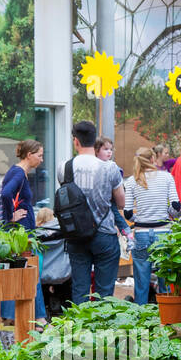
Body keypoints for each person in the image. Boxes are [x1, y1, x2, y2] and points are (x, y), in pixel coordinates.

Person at [64, 120, 124, 300]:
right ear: (94, 139)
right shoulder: (110, 168)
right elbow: (121, 202)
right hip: (104, 233)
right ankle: (101, 327)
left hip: (76, 234)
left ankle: (79, 327)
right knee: (104, 292)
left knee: (79, 288)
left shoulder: (64, 167)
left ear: (76, 141)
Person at [0, 140, 46, 322]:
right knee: (32, 272)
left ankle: (11, 317)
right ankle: (40, 318)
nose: (41, 160)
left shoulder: (17, 171)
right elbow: (5, 194)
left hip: (20, 233)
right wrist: (11, 216)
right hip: (22, 234)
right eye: (39, 155)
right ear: (29, 155)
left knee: (20, 273)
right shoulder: (19, 173)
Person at [123, 147, 176, 304]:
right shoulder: (167, 177)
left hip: (141, 235)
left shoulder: (132, 181)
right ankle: (168, 316)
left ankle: (141, 319)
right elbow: (176, 206)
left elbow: (127, 213)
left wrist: (139, 218)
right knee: (164, 277)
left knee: (141, 280)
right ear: (153, 159)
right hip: (163, 234)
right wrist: (165, 212)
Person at [95, 135, 132, 248]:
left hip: (110, 198)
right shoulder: (99, 165)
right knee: (116, 215)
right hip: (105, 199)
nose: (109, 152)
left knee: (116, 214)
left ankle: (128, 235)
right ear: (96, 150)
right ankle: (128, 234)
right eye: (105, 149)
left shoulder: (112, 166)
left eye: (111, 149)